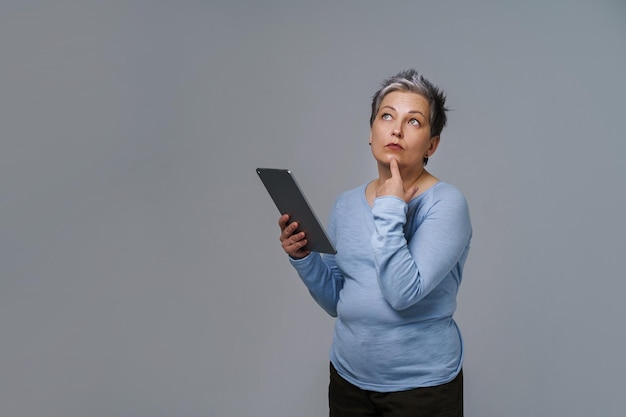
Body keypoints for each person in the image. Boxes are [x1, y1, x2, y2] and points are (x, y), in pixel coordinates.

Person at [278, 69, 472, 417]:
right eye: (386, 116)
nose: (396, 129)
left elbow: (402, 293)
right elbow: (338, 300)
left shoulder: (446, 204)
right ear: (371, 133)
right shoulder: (347, 204)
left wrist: (391, 205)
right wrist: (305, 258)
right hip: (348, 379)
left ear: (432, 144)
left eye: (413, 121)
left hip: (421, 389)